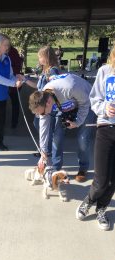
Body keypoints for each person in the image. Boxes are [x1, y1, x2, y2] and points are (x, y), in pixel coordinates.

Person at [28, 73, 96, 182]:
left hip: (87, 104)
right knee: (57, 136)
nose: (43, 116)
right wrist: (43, 152)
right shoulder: (45, 96)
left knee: (82, 139)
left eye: (43, 113)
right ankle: (55, 169)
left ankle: (83, 169)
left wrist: (77, 122)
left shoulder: (69, 87)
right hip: (66, 105)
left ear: (49, 102)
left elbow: (85, 104)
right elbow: (44, 127)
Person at [76, 45, 115, 231]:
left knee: (113, 181)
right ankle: (89, 200)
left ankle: (102, 209)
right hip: (106, 128)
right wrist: (104, 109)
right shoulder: (105, 71)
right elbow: (94, 99)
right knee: (101, 179)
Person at [22, 46, 60, 156]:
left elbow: (54, 88)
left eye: (40, 57)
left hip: (48, 106)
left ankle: (46, 151)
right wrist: (25, 80)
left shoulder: (52, 71)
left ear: (47, 57)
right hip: (43, 104)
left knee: (46, 127)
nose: (39, 59)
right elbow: (38, 87)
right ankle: (45, 149)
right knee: (38, 124)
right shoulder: (45, 71)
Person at [8, 45, 24, 128]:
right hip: (12, 80)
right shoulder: (13, 51)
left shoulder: (11, 52)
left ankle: (14, 122)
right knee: (15, 102)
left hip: (13, 80)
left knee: (14, 102)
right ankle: (14, 122)